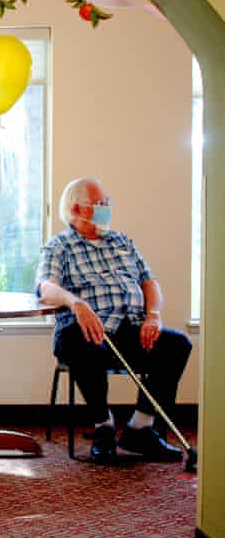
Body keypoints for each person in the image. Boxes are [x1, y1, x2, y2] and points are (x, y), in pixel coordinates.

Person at [36, 177, 192, 464]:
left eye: (107, 202)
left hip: (130, 328)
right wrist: (76, 302)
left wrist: (153, 315)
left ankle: (140, 429)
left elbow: (149, 281)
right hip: (86, 330)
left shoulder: (121, 241)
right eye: (101, 203)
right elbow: (46, 289)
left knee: (177, 344)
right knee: (81, 342)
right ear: (77, 208)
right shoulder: (59, 246)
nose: (107, 208)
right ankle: (103, 427)